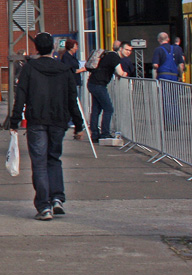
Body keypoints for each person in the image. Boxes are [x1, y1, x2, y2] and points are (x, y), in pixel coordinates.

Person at [9, 32, 85, 221]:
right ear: (53, 48)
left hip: (37, 120)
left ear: (37, 49)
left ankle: (44, 206)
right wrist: (78, 125)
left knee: (39, 163)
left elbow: (21, 96)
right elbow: (72, 99)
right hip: (59, 120)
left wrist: (14, 120)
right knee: (54, 159)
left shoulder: (29, 69)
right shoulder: (64, 70)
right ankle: (57, 198)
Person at [88, 41, 131, 144]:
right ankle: (105, 133)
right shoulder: (114, 57)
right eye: (126, 49)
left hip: (93, 82)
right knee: (108, 109)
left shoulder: (109, 55)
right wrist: (125, 73)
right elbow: (120, 72)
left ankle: (94, 135)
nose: (128, 52)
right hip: (99, 84)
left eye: (130, 50)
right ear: (120, 49)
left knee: (96, 109)